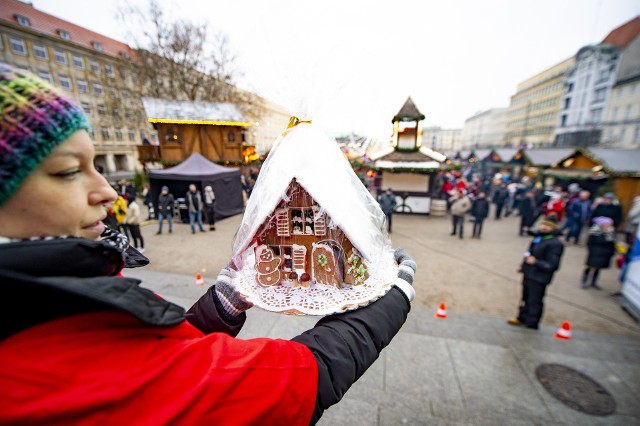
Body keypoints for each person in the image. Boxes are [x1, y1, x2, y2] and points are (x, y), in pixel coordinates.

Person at [0, 63, 417, 424]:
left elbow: (160, 355)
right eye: (68, 171)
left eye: (95, 165)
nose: (108, 191)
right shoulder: (35, 369)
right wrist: (392, 298)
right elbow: (298, 380)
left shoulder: (56, 302)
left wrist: (218, 309)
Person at [508, 214, 564, 330]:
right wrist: (523, 266)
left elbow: (553, 265)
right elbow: (530, 253)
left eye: (547, 226)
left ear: (553, 228)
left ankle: (532, 322)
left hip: (539, 277)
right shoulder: (539, 237)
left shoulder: (555, 243)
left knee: (535, 300)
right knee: (526, 297)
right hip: (529, 273)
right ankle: (522, 317)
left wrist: (536, 262)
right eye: (543, 224)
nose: (543, 227)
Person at [581, 217, 616, 290]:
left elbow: (611, 243)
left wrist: (611, 252)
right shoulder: (595, 231)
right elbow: (590, 242)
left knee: (598, 268)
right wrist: (592, 250)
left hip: (604, 254)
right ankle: (584, 280)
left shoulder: (610, 232)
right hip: (595, 252)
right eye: (608, 224)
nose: (609, 225)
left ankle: (594, 282)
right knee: (589, 266)